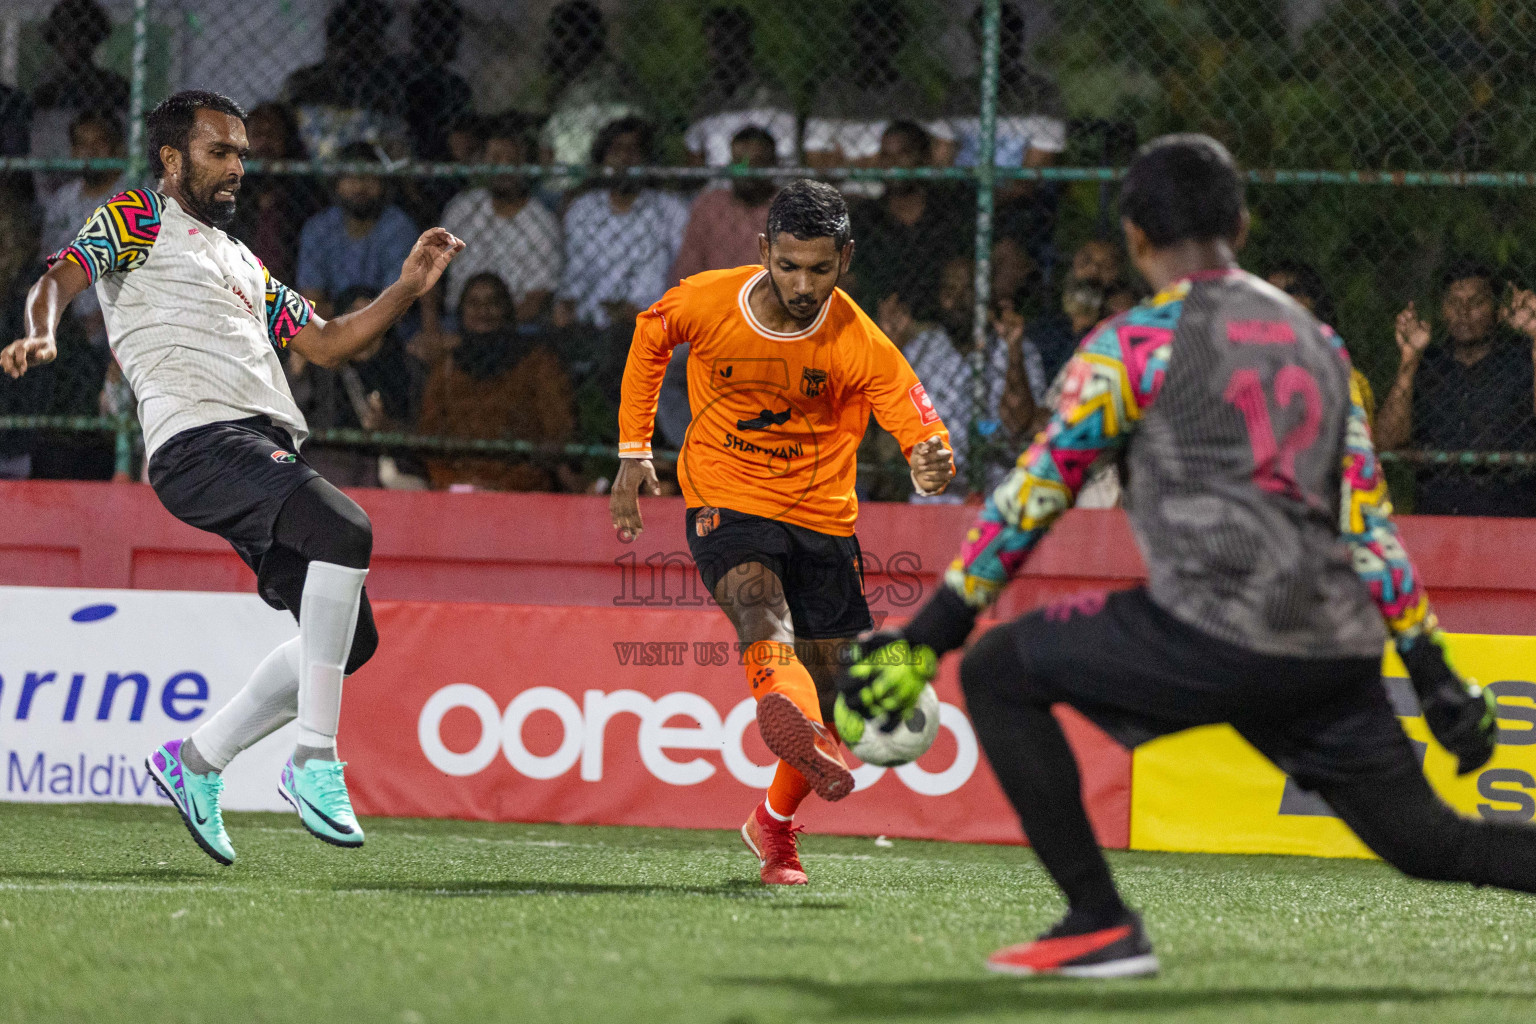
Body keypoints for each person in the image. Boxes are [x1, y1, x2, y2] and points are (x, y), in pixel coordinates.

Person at [838, 135, 1518, 977]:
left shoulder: (1136, 343)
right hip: (1330, 648)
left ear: (1133, 236)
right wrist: (1433, 672)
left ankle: (1098, 921)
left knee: (1000, 669)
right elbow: (1368, 524)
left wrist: (928, 636)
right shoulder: (1320, 343)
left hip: (1211, 630)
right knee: (1432, 843)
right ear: (1239, 221)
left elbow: (1031, 496)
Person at [1, 91, 464, 864]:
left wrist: (409, 288)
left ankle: (196, 761)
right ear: (173, 159)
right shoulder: (136, 217)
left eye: (243, 152)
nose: (238, 166)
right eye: (221, 151)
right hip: (199, 440)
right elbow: (60, 277)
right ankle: (315, 758)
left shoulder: (243, 261)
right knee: (347, 528)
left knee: (350, 641)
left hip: (255, 447)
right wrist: (39, 334)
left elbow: (327, 342)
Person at [610, 180, 957, 886]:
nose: (803, 284)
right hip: (725, 499)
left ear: (846, 259)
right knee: (757, 603)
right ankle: (785, 717)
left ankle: (772, 822)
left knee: (836, 699)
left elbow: (923, 431)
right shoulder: (708, 300)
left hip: (824, 520)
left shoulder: (858, 339)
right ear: (764, 249)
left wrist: (932, 460)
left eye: (820, 269)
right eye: (789, 264)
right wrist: (632, 450)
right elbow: (651, 335)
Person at [1376, 262, 1536, 516]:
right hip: (1437, 517)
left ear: (1498, 310)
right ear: (1442, 310)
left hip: (1510, 516)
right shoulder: (1427, 365)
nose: (1464, 311)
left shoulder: (1522, 358)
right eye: (1454, 302)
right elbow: (1386, 442)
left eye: (1477, 302)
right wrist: (1409, 358)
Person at [417, 273, 574, 491]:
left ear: (506, 310)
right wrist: (453, 481)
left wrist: (508, 483)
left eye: (492, 303)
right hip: (459, 486)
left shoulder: (537, 364)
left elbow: (557, 430)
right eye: (474, 303)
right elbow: (430, 437)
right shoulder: (446, 369)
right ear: (462, 312)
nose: (483, 311)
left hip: (522, 486)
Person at [554, 118, 689, 331]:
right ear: (603, 158)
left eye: (634, 150)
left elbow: (685, 273)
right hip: (590, 323)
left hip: (653, 323)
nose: (625, 158)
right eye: (616, 150)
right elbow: (574, 273)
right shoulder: (583, 209)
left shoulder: (669, 210)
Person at [804, 1, 954, 180]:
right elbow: (816, 161)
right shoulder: (833, 92)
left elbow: (945, 147)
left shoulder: (909, 93)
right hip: (845, 193)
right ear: (854, 35)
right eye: (866, 31)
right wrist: (891, 161)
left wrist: (851, 163)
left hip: (897, 189)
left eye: (884, 34)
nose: (874, 41)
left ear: (897, 39)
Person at [288, 285, 418, 488]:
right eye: (353, 314)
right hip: (329, 460)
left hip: (387, 462)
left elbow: (422, 428)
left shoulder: (403, 366)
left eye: (370, 314)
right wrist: (297, 371)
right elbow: (291, 413)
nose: (362, 323)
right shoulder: (321, 364)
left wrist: (385, 426)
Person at [439, 116, 562, 324]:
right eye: (495, 159)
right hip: (458, 321)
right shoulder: (462, 208)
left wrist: (491, 328)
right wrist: (432, 330)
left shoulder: (541, 222)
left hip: (515, 324)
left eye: (511, 160)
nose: (503, 167)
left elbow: (537, 298)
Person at [846, 121, 971, 320]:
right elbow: (849, 279)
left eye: (903, 154)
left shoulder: (950, 211)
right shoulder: (866, 217)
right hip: (879, 327)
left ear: (923, 158)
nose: (893, 164)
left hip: (940, 327)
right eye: (886, 156)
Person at [296, 142, 419, 319]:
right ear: (337, 183)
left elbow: (397, 302)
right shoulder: (319, 229)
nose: (360, 186)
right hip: (332, 324)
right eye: (351, 177)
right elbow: (311, 303)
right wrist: (347, 310)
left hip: (386, 326)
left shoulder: (398, 226)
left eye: (369, 176)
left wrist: (363, 314)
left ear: (383, 184)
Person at [39, 110, 127, 347]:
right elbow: (47, 261)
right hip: (68, 322)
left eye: (99, 143)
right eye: (81, 144)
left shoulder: (134, 195)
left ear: (117, 147)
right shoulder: (63, 200)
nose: (89, 152)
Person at [282, 0, 409, 158]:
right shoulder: (305, 82)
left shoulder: (391, 81)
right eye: (349, 38)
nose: (355, 49)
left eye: (367, 40)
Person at [29, 0, 129, 196]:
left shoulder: (115, 86)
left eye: (81, 35)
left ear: (93, 39)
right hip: (59, 184)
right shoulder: (46, 93)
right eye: (64, 35)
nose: (72, 43)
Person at [537, 1, 643, 178]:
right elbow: (547, 147)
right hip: (561, 181)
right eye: (558, 35)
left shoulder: (610, 81)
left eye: (564, 35)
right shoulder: (564, 89)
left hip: (604, 181)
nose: (557, 43)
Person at [684, 6, 797, 168]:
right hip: (717, 189)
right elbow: (694, 163)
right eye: (713, 45)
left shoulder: (773, 99)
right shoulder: (705, 103)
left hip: (765, 189)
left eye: (725, 44)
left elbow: (786, 161)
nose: (716, 54)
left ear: (745, 45)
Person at [1266, 260, 1376, 426]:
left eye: (1291, 291)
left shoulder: (1348, 379)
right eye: (1269, 293)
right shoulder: (1254, 373)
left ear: (1312, 301)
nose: (1279, 300)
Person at [228, 102, 319, 287]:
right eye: (258, 134)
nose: (265, 142)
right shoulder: (230, 191)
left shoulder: (306, 193)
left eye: (274, 134)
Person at [1026, 237, 1124, 381]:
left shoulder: (1114, 335)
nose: (1093, 271)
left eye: (1105, 266)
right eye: (1086, 261)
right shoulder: (1041, 332)